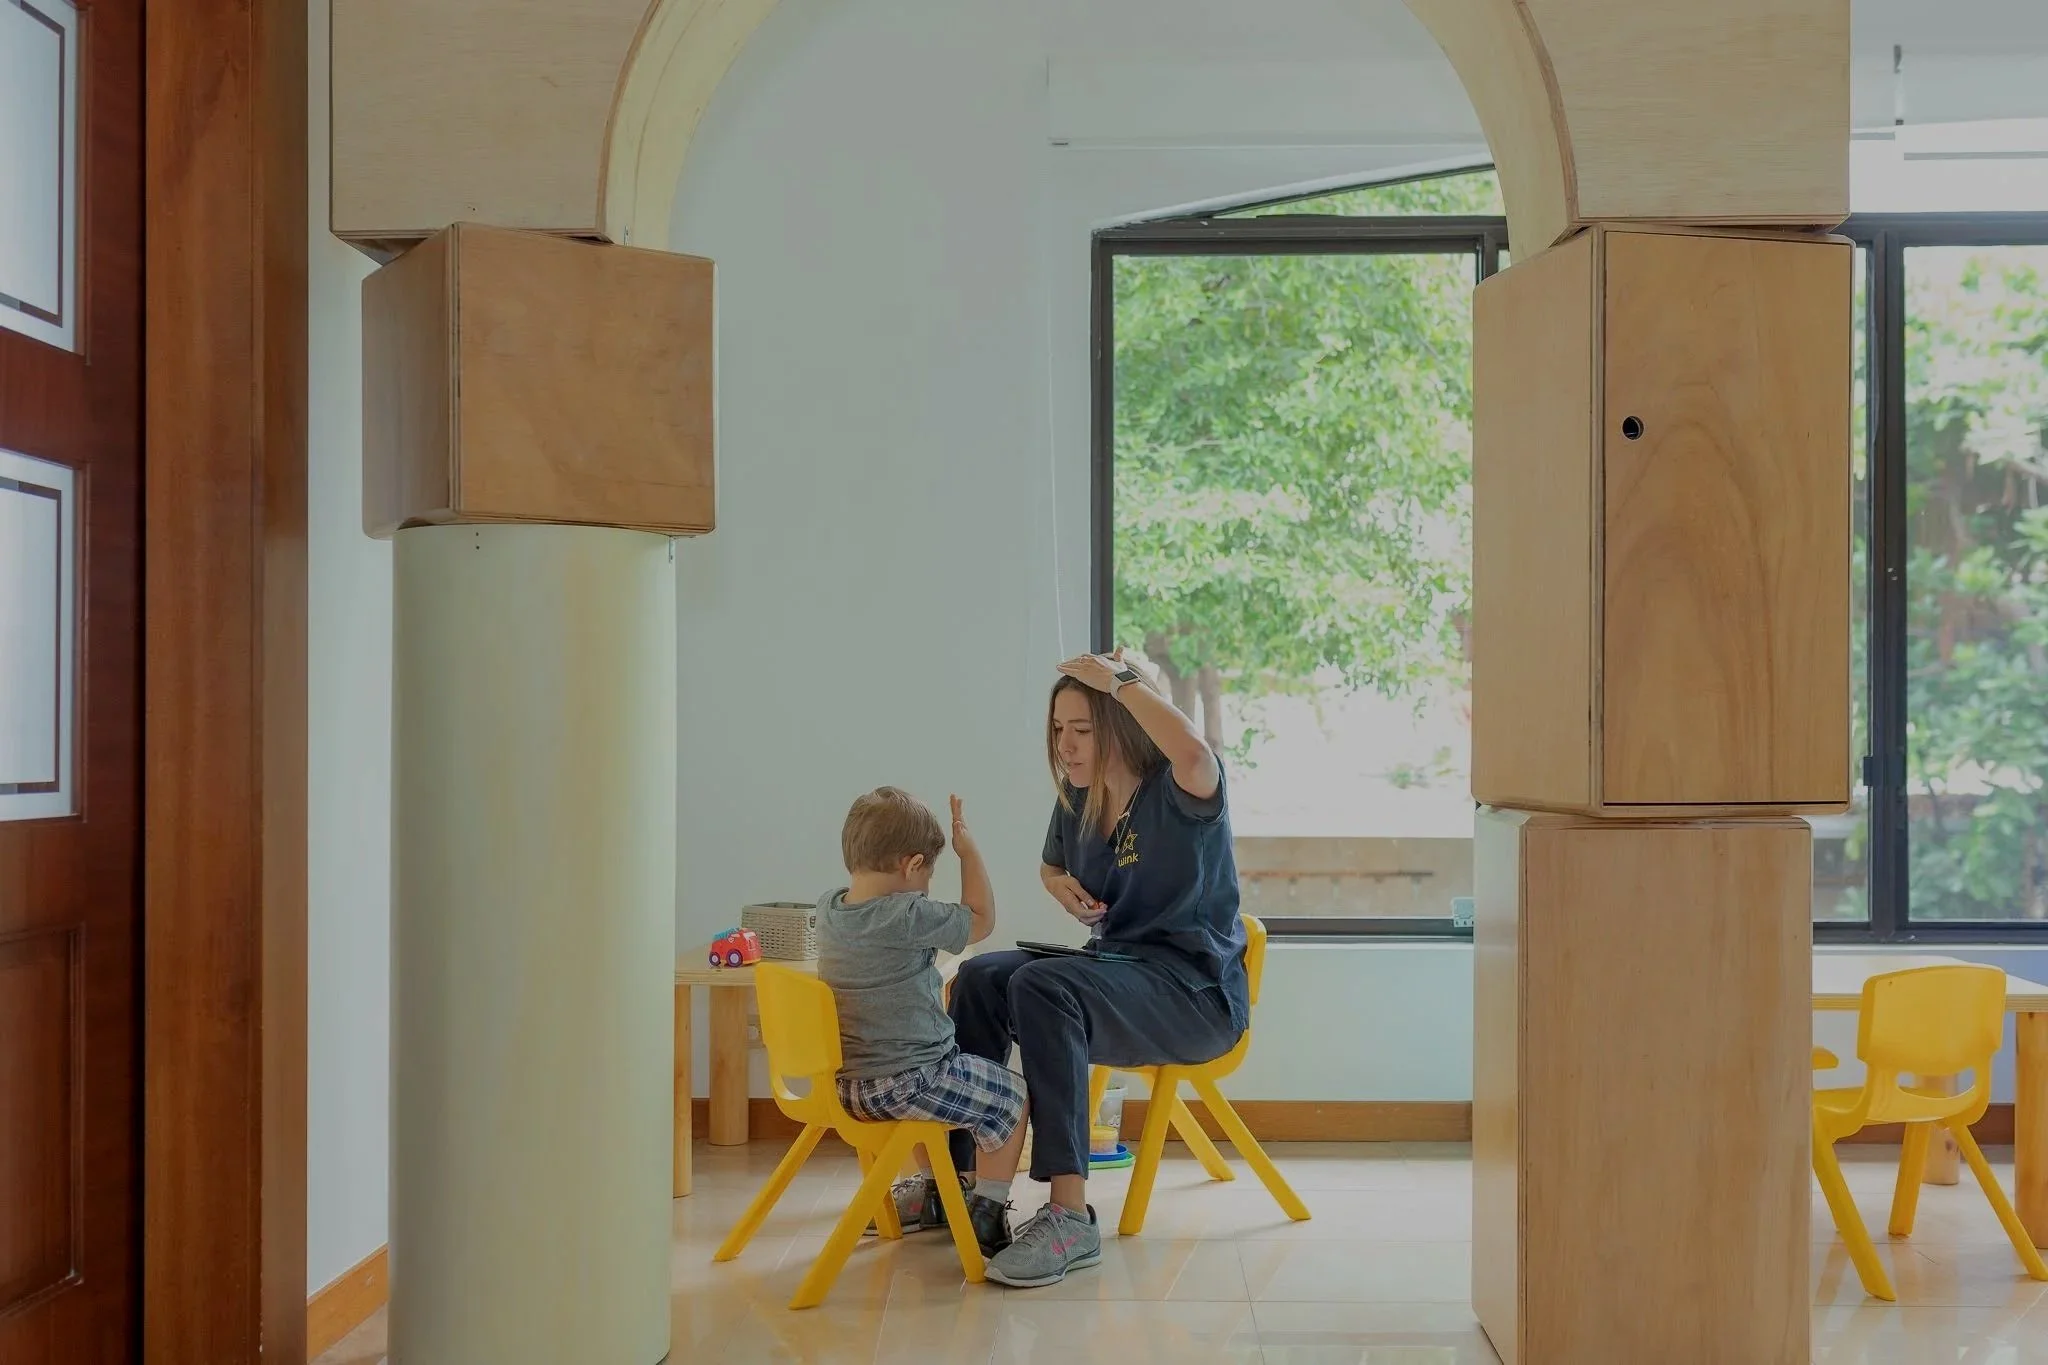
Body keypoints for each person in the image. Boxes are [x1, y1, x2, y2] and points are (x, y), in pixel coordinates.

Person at [951, 650, 1247, 1288]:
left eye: (1081, 729)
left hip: (1193, 995)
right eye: (1058, 730)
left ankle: (1068, 1212)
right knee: (980, 979)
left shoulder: (1179, 789)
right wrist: (1056, 883)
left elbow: (1195, 753)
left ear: (1119, 722)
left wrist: (1122, 681)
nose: (1065, 745)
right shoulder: (1076, 801)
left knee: (1042, 984)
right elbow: (1052, 864)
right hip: (1116, 973)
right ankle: (971, 1189)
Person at [815, 787, 1027, 1258]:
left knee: (944, 1079)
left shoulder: (830, 910)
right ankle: (986, 1213)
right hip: (907, 1083)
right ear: (912, 866)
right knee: (1012, 1095)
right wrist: (967, 853)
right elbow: (981, 920)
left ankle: (934, 1193)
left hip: (850, 1087)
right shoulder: (907, 914)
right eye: (928, 873)